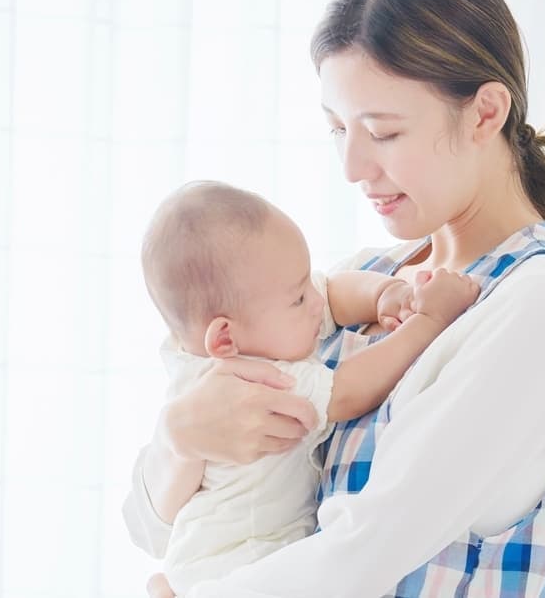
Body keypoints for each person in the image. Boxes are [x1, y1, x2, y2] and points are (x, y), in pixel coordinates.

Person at [126, 0, 545, 597]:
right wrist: (180, 435)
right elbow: (158, 528)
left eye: (382, 132)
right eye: (337, 129)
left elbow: (364, 550)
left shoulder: (544, 302)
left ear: (486, 112)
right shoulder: (363, 281)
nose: (354, 166)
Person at [129, 180, 480, 596]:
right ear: (225, 339)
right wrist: (430, 321)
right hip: (241, 568)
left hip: (198, 566)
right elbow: (349, 391)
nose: (314, 301)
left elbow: (329, 293)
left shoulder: (212, 347)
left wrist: (384, 293)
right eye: (298, 298)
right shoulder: (263, 378)